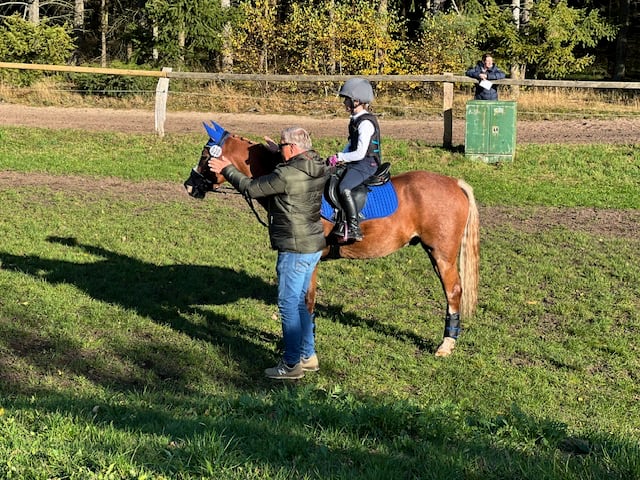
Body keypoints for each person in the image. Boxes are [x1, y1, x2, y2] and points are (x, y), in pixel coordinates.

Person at [209, 127, 328, 380]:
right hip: (313, 245)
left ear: (294, 149)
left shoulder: (286, 174)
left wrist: (226, 169)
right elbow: (292, 164)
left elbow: (252, 188)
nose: (280, 149)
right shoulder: (316, 164)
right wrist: (277, 152)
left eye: (283, 146)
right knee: (300, 304)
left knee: (288, 305)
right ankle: (308, 356)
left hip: (294, 248)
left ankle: (291, 365)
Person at [327, 77, 381, 242]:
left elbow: (359, 152)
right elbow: (351, 144)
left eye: (347, 100)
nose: (345, 103)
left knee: (344, 187)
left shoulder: (365, 123)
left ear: (356, 101)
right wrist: (338, 156)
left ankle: (353, 227)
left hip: (367, 163)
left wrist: (341, 157)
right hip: (358, 160)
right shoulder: (356, 120)